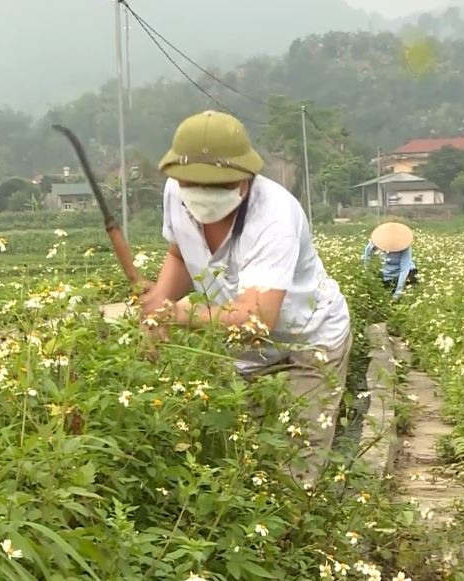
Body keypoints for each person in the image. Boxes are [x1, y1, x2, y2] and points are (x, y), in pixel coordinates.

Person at [138, 110, 353, 485]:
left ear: (246, 179)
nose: (203, 196)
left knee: (293, 468)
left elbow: (255, 322)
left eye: (218, 185)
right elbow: (179, 256)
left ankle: (294, 526)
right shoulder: (176, 193)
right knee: (240, 460)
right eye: (194, 184)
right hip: (243, 355)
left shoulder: (274, 217)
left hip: (308, 345)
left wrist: (180, 314)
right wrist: (158, 305)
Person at [362, 222, 418, 300]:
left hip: (404, 273)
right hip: (385, 273)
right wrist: (368, 275)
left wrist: (397, 293)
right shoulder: (375, 243)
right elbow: (367, 258)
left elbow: (404, 269)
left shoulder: (405, 247)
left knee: (407, 292)